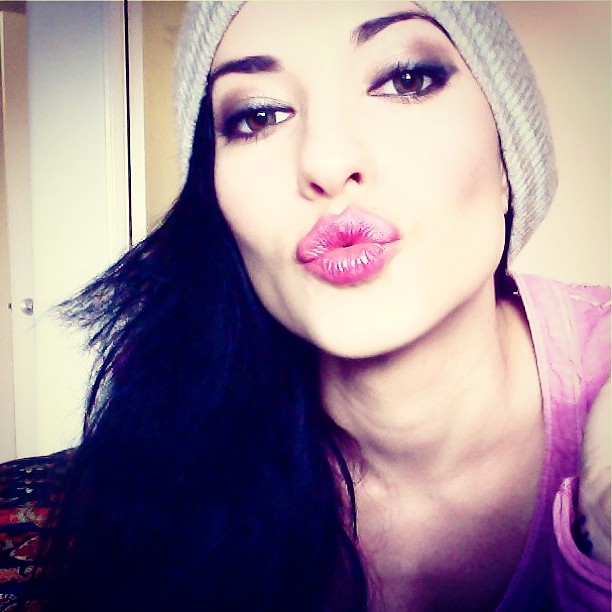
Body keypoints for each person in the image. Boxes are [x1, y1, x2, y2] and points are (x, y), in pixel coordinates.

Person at [0, 2, 609, 610]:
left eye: (405, 79)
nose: (325, 162)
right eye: (259, 115)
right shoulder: (177, 429)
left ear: (508, 157)